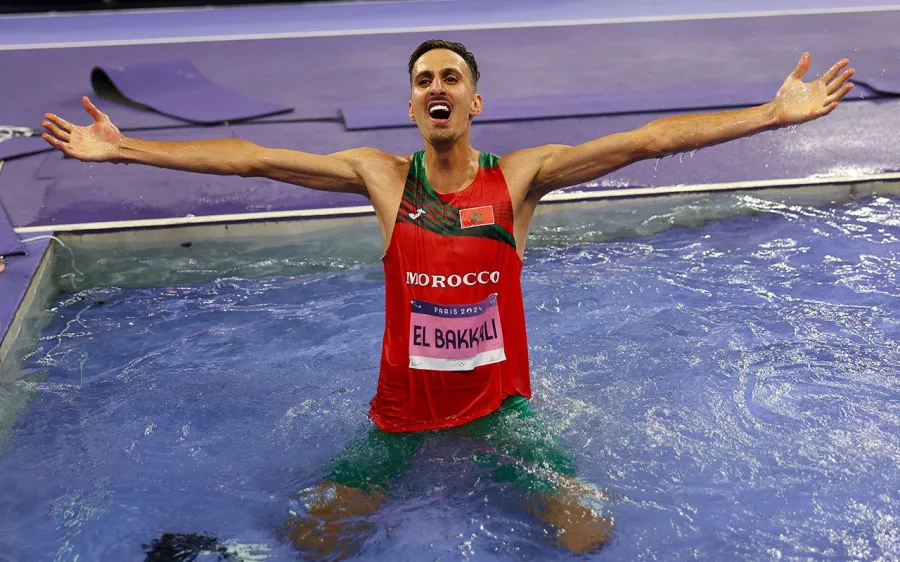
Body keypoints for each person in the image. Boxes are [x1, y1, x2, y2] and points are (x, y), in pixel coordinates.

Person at [42, 40, 854, 558]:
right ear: (411, 106)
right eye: (423, 79)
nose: (437, 86)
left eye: (451, 77)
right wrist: (127, 151)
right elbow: (254, 159)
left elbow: (645, 140)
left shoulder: (521, 178)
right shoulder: (382, 176)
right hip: (401, 415)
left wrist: (770, 117)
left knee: (587, 537)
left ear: (473, 103)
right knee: (312, 544)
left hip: (501, 411)